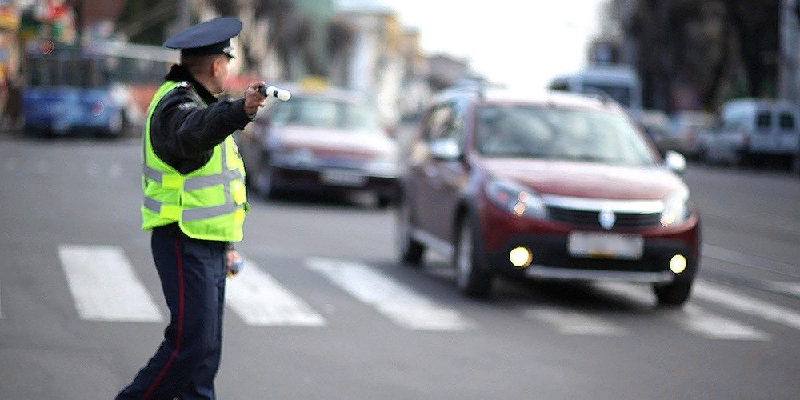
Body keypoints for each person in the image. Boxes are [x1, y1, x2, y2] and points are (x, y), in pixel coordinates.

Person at [116, 17, 268, 400]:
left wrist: (226, 245)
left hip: (207, 243)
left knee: (204, 354)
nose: (227, 70)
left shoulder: (199, 103)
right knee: (190, 345)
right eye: (227, 63)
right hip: (183, 239)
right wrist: (240, 110)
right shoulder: (177, 103)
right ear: (216, 65)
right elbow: (192, 133)